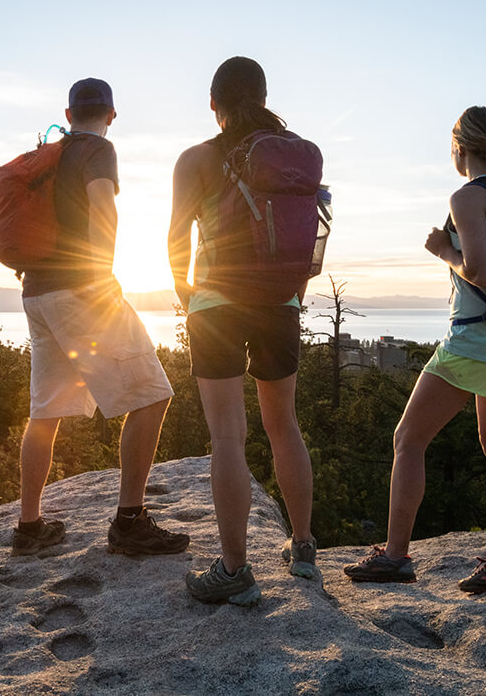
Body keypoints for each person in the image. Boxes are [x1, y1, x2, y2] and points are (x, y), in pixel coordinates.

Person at [343, 106, 486, 593]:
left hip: (475, 340)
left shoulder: (468, 197)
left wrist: (443, 252)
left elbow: (482, 272)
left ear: (459, 147)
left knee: (408, 439)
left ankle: (394, 557)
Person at [11, 77, 189, 558]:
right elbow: (102, 210)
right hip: (81, 291)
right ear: (111, 115)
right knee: (152, 395)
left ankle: (29, 527)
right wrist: (102, 279)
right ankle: (129, 523)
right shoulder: (97, 151)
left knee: (44, 411)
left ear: (68, 114)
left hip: (37, 293)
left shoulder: (49, 156)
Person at [168, 57, 321, 605]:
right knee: (285, 426)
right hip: (281, 300)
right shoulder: (291, 156)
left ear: (214, 105)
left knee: (228, 436)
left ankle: (235, 571)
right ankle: (303, 550)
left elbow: (174, 242)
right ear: (261, 96)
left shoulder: (197, 159)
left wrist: (190, 297)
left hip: (217, 304)